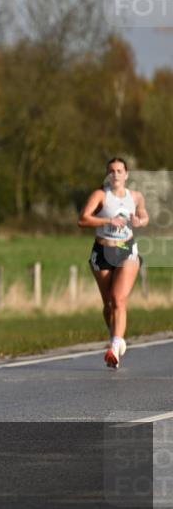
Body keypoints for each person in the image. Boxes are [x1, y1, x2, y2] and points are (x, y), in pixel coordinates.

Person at [78, 157, 150, 368]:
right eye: (112, 171)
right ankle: (115, 338)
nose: (116, 174)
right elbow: (83, 219)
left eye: (120, 171)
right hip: (102, 252)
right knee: (109, 303)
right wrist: (109, 221)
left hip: (126, 250)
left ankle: (114, 347)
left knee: (119, 299)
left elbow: (144, 216)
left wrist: (139, 221)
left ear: (126, 174)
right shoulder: (100, 195)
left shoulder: (135, 196)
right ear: (107, 174)